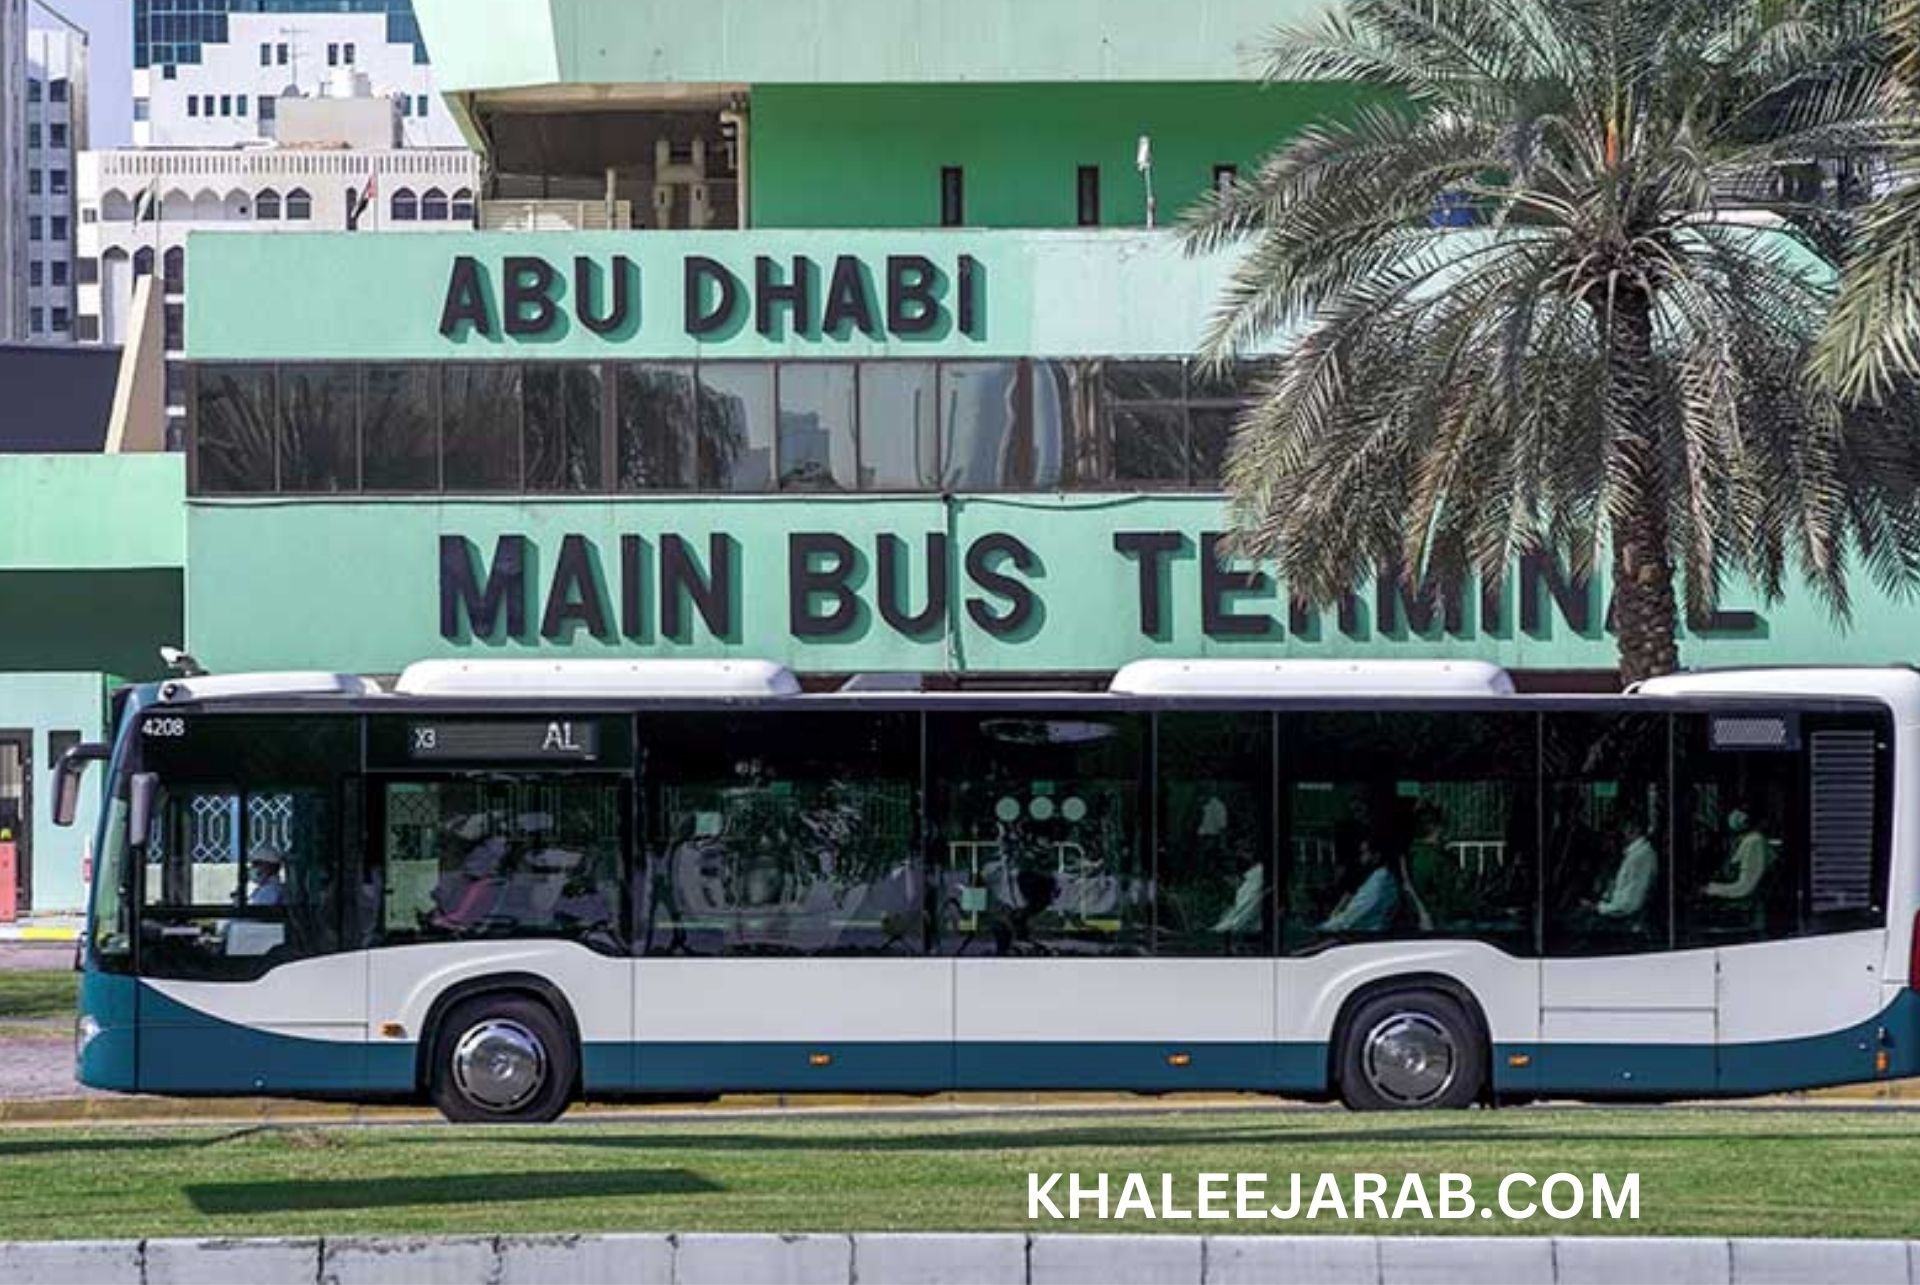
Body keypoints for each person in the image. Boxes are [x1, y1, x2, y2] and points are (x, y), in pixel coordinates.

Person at [1319, 832, 1399, 934]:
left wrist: (1322, 929)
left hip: (1367, 936)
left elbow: (1352, 915)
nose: (1361, 858)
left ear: (1376, 856)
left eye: (1364, 853)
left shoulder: (1379, 882)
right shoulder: (1378, 878)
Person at [1591, 812, 1657, 921]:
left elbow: (1628, 905)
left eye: (1623, 828)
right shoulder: (1635, 855)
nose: (1621, 833)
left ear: (1635, 830)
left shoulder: (1639, 857)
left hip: (1623, 918)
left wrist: (1598, 908)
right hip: (1617, 910)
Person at [1705, 806, 1773, 903]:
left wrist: (1712, 889)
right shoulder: (1753, 840)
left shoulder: (1753, 841)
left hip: (1750, 895)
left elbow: (1745, 887)